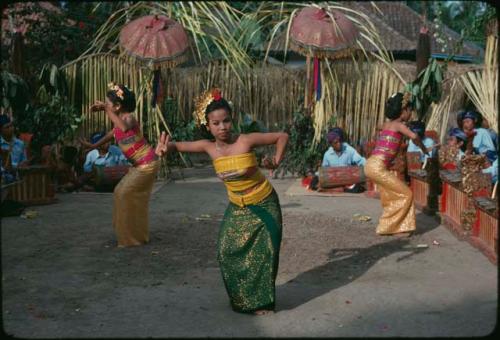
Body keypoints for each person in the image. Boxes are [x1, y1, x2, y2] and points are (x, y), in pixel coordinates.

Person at [155, 88, 289, 315]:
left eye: (226, 121)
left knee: (265, 252)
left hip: (264, 203)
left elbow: (282, 136)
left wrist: (275, 160)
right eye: (216, 123)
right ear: (208, 125)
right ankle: (243, 299)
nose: (222, 127)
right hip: (237, 205)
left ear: (232, 120)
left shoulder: (246, 140)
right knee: (226, 250)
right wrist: (165, 148)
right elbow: (177, 145)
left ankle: (262, 303)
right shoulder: (208, 147)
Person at [83, 83, 162, 247]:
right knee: (121, 192)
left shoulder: (129, 118)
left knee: (125, 193)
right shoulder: (117, 122)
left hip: (147, 163)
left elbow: (124, 128)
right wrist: (92, 146)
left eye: (109, 103)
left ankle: (131, 239)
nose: (107, 106)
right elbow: (110, 135)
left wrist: (106, 108)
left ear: (117, 106)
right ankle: (132, 236)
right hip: (139, 166)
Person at [364, 92, 429, 237]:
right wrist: (424, 149)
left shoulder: (387, 124)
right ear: (403, 110)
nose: (411, 113)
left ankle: (393, 226)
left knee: (391, 194)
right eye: (409, 110)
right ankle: (393, 227)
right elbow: (415, 136)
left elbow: (378, 127)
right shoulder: (399, 125)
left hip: (371, 165)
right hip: (377, 167)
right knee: (407, 194)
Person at [311, 127, 366, 192]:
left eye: (339, 141)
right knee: (313, 184)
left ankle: (330, 189)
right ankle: (335, 189)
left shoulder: (349, 150)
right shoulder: (327, 154)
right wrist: (317, 176)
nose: (339, 144)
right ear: (331, 144)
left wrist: (370, 166)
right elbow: (324, 170)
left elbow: (361, 161)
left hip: (347, 180)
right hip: (334, 180)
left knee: (357, 188)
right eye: (336, 142)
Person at [0, 114, 29, 184]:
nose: (11, 128)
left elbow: (24, 161)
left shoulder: (20, 144)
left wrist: (23, 165)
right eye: (7, 127)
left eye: (11, 126)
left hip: (17, 179)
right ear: (1, 130)